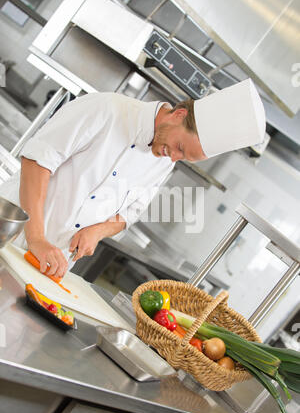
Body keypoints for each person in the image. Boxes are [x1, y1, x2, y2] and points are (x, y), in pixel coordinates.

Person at [0, 78, 265, 280]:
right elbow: (38, 161)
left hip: (51, 267)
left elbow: (130, 212)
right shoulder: (106, 109)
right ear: (179, 115)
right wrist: (36, 238)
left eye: (183, 158)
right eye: (180, 148)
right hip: (11, 237)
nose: (173, 158)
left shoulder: (164, 159)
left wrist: (98, 231)